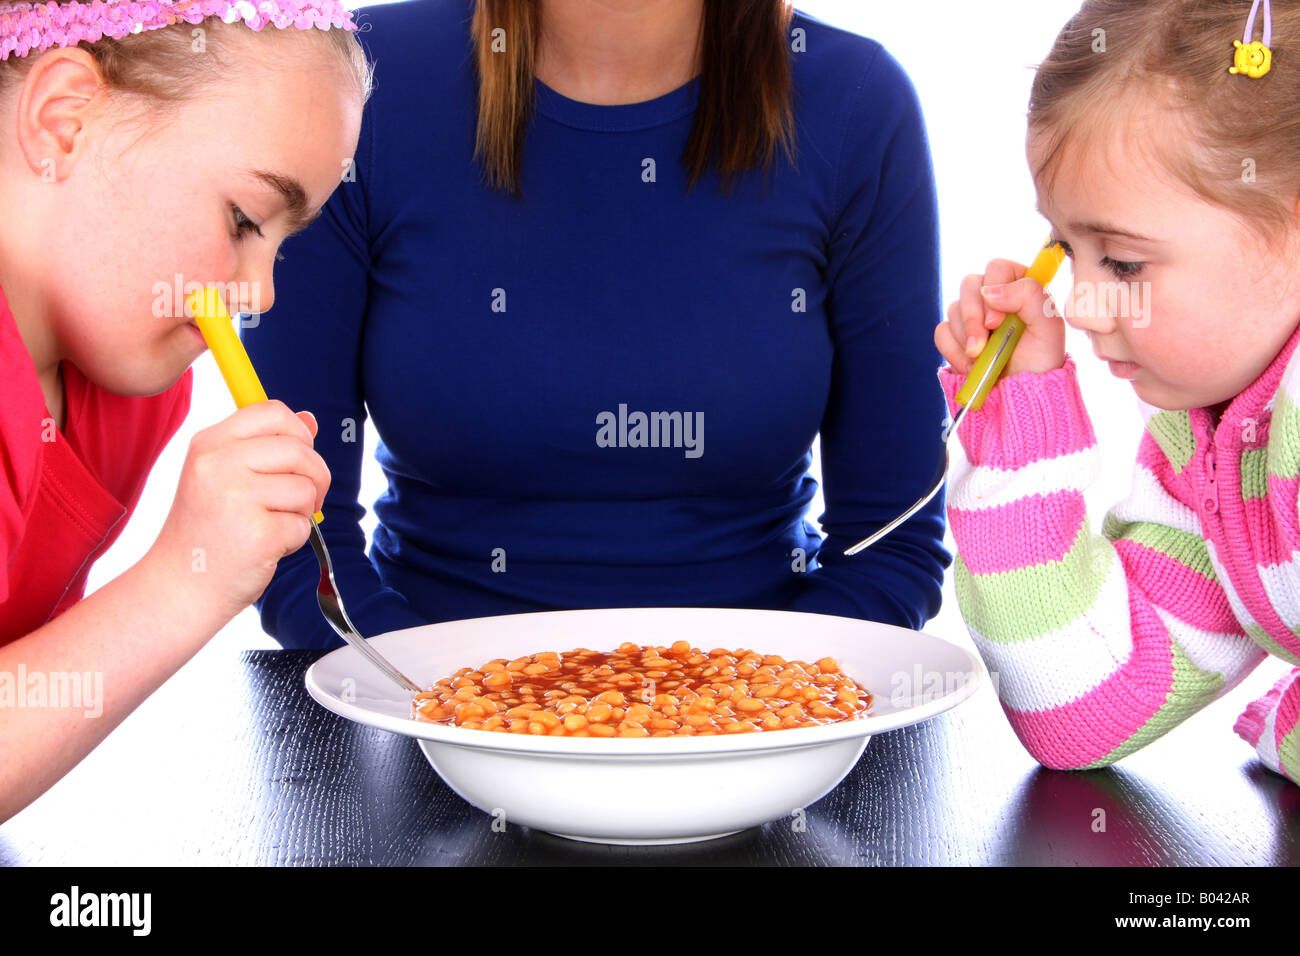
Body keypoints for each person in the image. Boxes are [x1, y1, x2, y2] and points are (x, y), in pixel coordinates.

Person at [245, 0, 952, 649]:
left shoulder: (856, 103)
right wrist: (441, 701)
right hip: (416, 720)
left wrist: (748, 708)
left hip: (773, 731)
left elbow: (891, 546)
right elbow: (295, 543)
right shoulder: (352, 83)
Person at [0, 0, 371, 822]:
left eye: (282, 240)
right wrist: (181, 582)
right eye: (244, 220)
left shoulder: (134, 397)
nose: (262, 292)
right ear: (65, 122)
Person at [936, 0, 1299, 786]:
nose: (1087, 305)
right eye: (1070, 250)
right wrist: (1020, 433)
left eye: (1126, 263)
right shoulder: (1204, 440)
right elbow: (1085, 710)